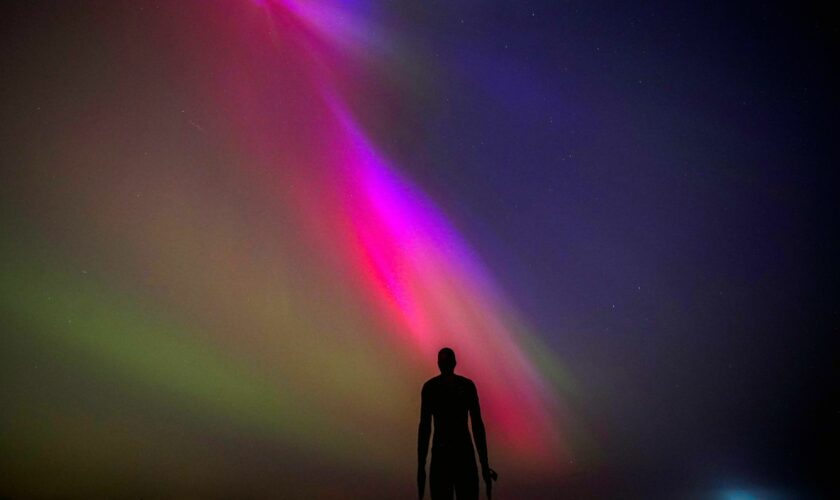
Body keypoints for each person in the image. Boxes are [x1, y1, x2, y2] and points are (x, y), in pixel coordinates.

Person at [417, 347, 495, 499]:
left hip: (446, 455)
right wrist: (484, 464)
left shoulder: (431, 388)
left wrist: (421, 465)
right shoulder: (466, 386)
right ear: (455, 363)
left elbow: (425, 428)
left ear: (439, 364)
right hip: (459, 454)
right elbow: (477, 425)